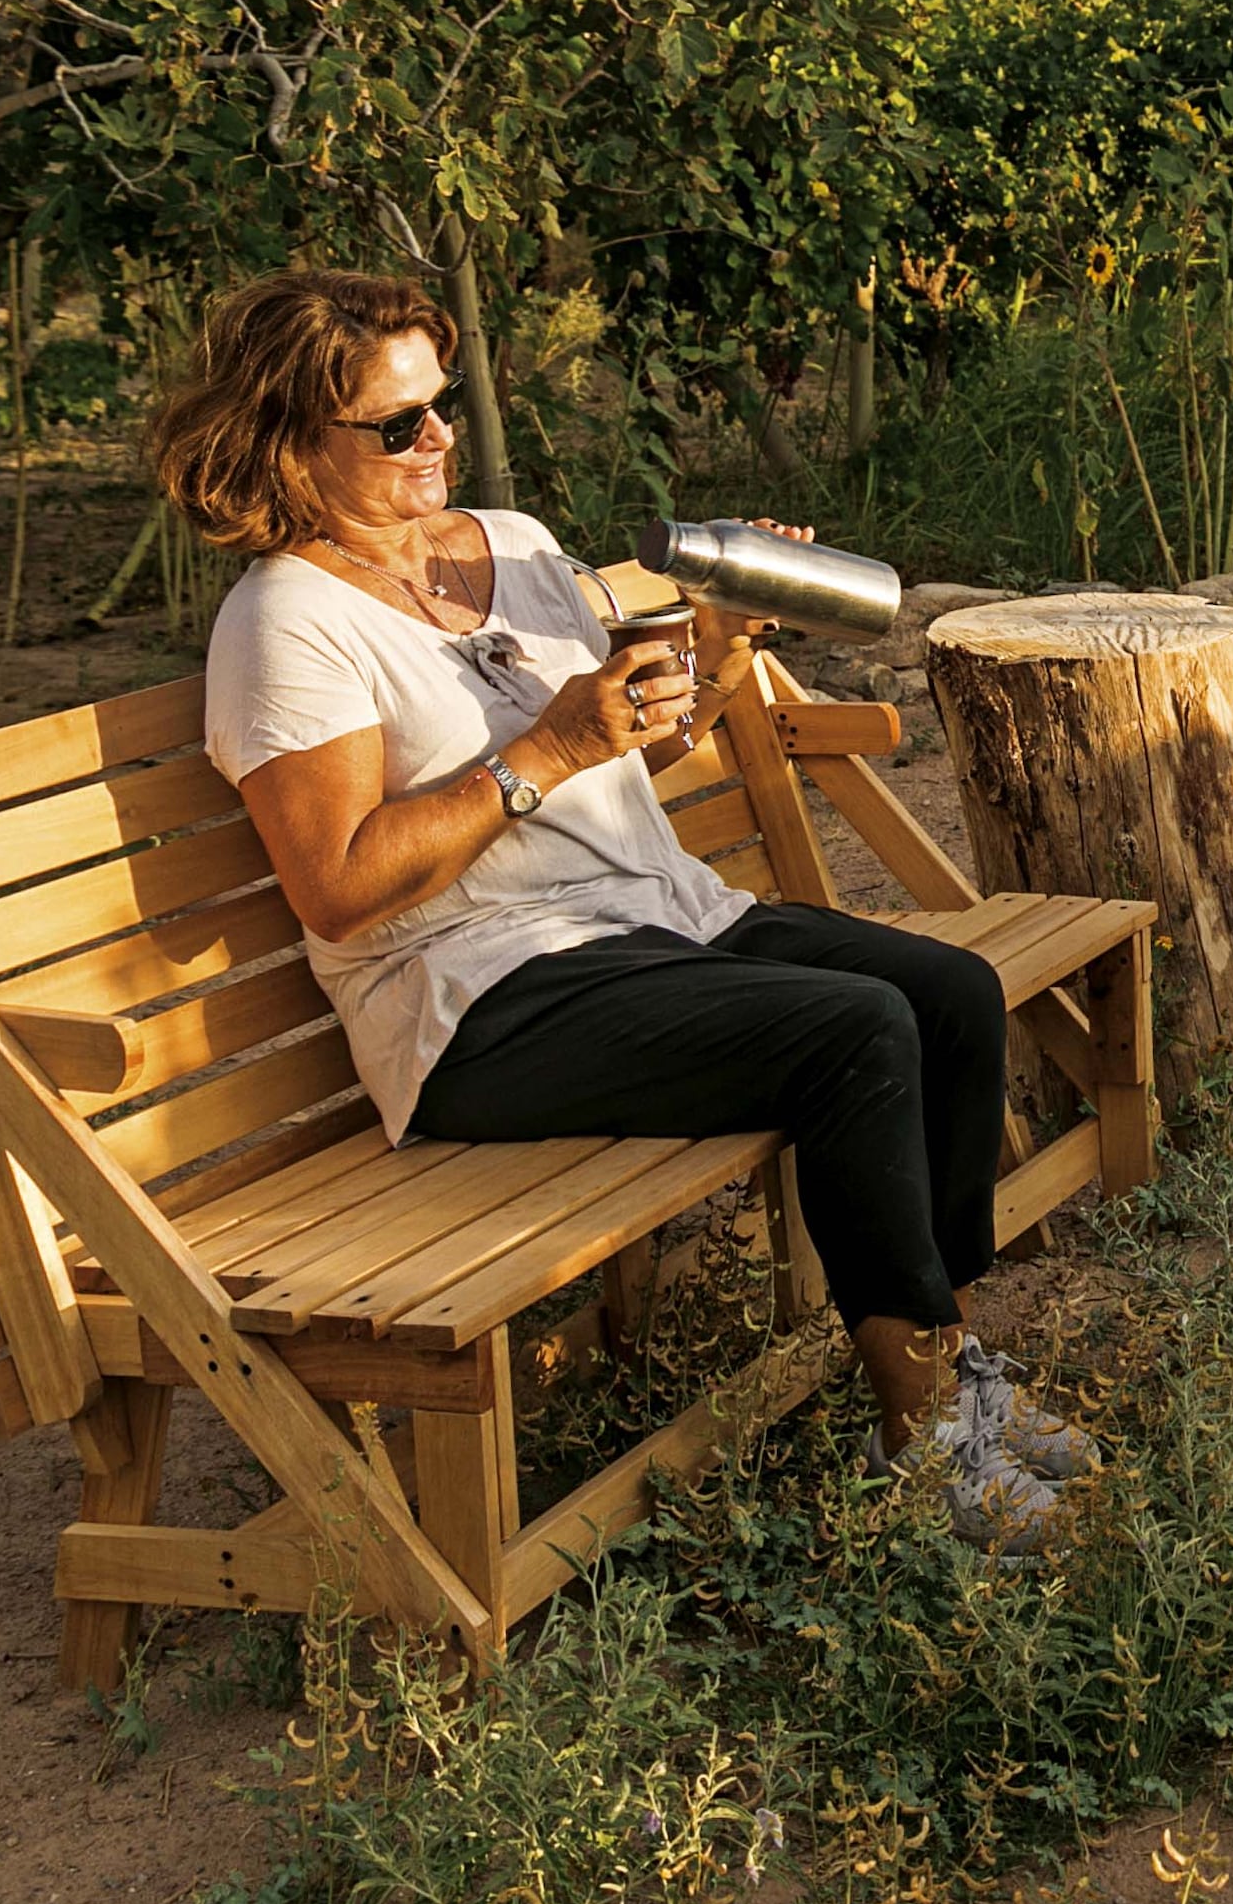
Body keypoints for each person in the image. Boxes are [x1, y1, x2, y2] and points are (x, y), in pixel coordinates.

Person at [153, 267, 1088, 1543]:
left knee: (952, 994)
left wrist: (717, 647)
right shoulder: (285, 625)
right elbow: (335, 888)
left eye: (439, 408)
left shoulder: (516, 545)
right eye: (394, 425)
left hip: (650, 918)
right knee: (856, 1030)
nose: (437, 440)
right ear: (286, 444)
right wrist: (534, 756)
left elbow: (629, 750)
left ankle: (951, 1372)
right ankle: (924, 1444)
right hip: (477, 1004)